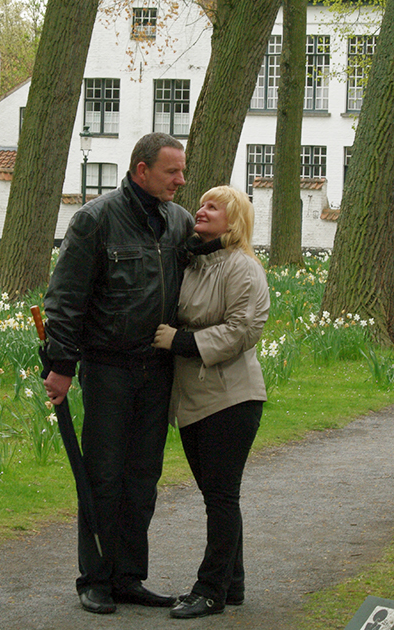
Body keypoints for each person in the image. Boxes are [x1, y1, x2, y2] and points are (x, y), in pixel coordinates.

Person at [42, 132, 193, 615]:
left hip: (158, 370)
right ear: (141, 170)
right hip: (108, 368)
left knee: (143, 476)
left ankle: (129, 576)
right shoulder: (95, 220)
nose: (180, 179)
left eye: (182, 171)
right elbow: (64, 299)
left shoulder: (179, 224)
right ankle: (96, 578)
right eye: (172, 171)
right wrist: (62, 366)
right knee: (102, 475)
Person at [152, 186, 270, 619]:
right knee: (217, 495)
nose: (200, 211)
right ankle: (232, 584)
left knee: (221, 496)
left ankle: (209, 591)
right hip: (195, 399)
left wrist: (182, 341)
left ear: (234, 221)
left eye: (212, 207)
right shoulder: (196, 263)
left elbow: (244, 329)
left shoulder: (242, 268)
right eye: (200, 204)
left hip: (231, 398)